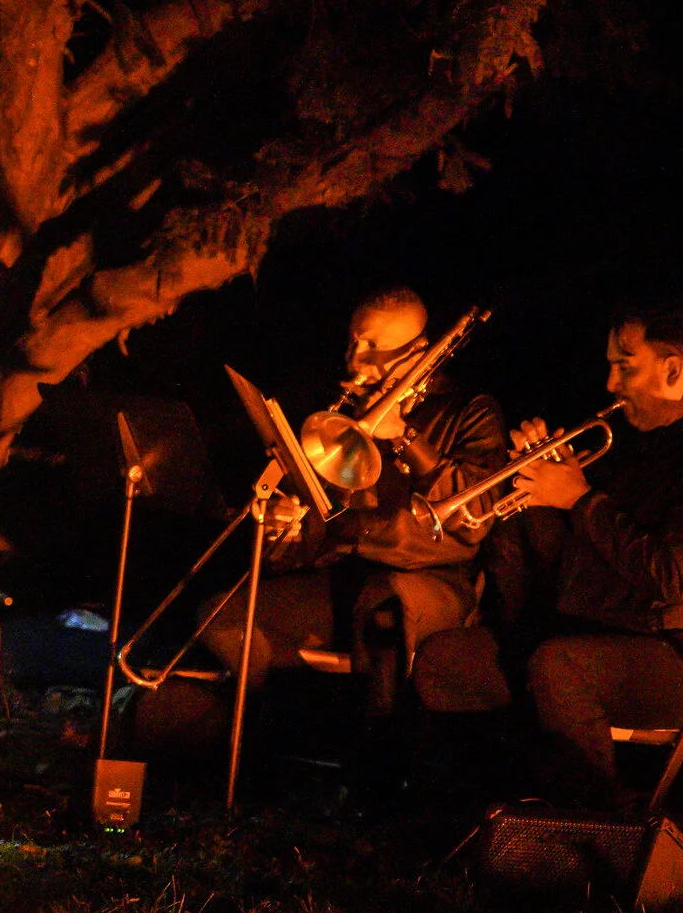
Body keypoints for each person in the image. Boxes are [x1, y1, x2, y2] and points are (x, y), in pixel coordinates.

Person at [412, 296, 683, 804]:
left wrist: (579, 498)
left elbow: (670, 578)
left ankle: (597, 826)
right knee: (443, 660)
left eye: (626, 366)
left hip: (676, 655)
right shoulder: (632, 446)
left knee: (558, 667)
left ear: (672, 371)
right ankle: (480, 813)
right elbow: (570, 559)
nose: (610, 383)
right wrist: (539, 485)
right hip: (587, 632)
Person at [199, 287, 506, 709]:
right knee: (222, 616)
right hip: (345, 576)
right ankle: (281, 717)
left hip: (429, 578)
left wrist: (404, 437)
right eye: (354, 341)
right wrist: (288, 530)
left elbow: (475, 518)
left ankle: (374, 744)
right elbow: (321, 526)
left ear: (417, 350)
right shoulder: (338, 416)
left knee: (385, 611)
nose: (356, 357)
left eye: (373, 346)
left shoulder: (471, 410)